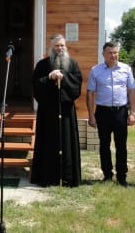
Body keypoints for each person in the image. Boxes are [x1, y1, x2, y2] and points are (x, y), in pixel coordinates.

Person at [31, 34, 82, 187]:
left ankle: (68, 177)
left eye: (62, 46)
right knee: (47, 143)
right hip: (48, 112)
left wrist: (64, 76)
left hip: (66, 112)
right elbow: (36, 85)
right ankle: (47, 177)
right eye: (56, 46)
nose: (59, 48)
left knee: (67, 144)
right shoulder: (42, 65)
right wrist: (49, 77)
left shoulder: (72, 64)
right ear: (51, 47)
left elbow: (77, 85)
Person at [86, 42, 135, 187]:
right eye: (110, 53)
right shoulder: (95, 70)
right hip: (102, 112)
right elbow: (90, 93)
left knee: (121, 145)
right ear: (103, 54)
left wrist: (132, 112)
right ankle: (107, 174)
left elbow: (132, 91)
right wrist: (91, 115)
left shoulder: (126, 69)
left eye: (115, 52)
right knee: (104, 144)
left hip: (121, 112)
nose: (113, 55)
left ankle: (122, 176)